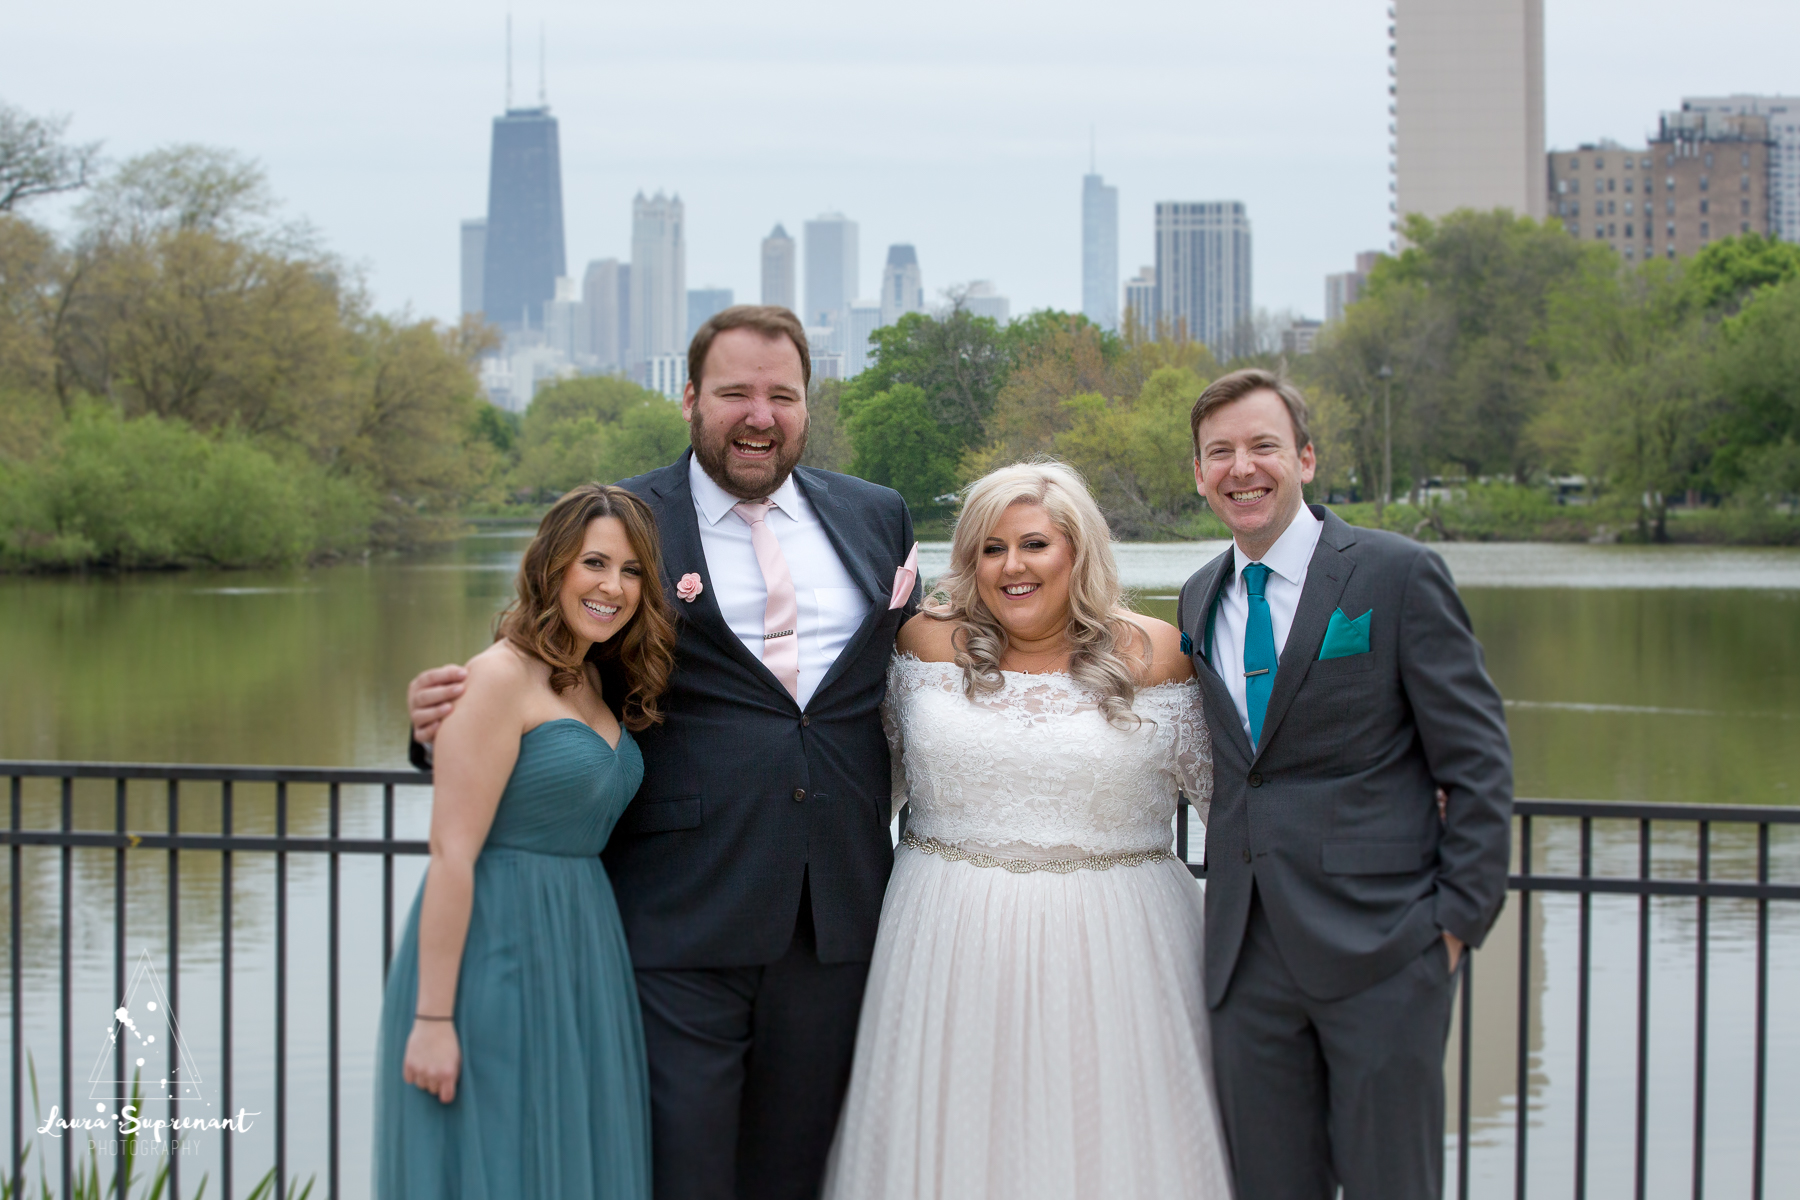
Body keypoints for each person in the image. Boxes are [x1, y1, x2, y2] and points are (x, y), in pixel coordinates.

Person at [406, 306, 921, 1200]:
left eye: (780, 396)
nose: (758, 415)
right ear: (689, 399)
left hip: (835, 917)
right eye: (734, 393)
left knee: (798, 1176)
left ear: (806, 406)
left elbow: (938, 657)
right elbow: (533, 663)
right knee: (680, 1176)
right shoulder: (625, 522)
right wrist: (435, 730)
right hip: (676, 918)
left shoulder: (877, 517)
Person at [822, 460, 1234, 1200]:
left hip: (1122, 948)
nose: (1012, 566)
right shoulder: (921, 646)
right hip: (946, 942)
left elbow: (1233, 813)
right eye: (991, 547)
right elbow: (861, 792)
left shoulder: (1161, 654)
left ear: (1079, 551)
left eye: (1035, 544)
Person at [1175, 368, 1513, 1200]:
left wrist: (1454, 927)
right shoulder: (1198, 598)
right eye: (1220, 452)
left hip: (1384, 952)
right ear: (1198, 474)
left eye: (1263, 446)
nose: (1241, 468)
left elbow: (1477, 763)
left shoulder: (1396, 574)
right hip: (1244, 961)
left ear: (1307, 458)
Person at [375, 483, 675, 1199]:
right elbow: (451, 852)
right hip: (496, 949)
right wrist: (433, 1019)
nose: (613, 586)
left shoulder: (596, 682)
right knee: (501, 1158)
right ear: (552, 567)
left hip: (581, 947)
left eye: (632, 571)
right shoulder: (496, 677)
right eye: (594, 563)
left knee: (571, 1159)